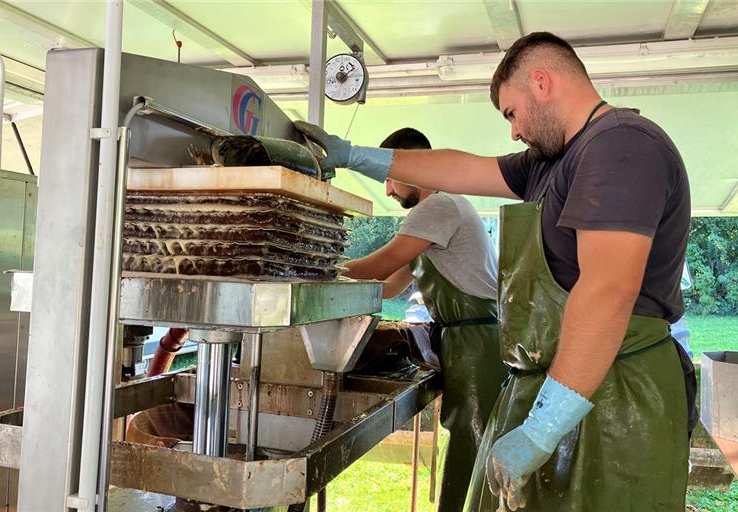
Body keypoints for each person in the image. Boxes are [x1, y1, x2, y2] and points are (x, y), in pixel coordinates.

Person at [296, 31, 697, 512]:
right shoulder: (551, 161)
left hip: (617, 396)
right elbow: (459, 169)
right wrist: (354, 155)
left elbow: (607, 291)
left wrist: (544, 427)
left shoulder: (620, 146)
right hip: (560, 378)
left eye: (512, 112)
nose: (513, 131)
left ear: (542, 82)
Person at [342, 127, 506, 511]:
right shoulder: (438, 214)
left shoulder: (439, 206)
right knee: (468, 444)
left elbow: (379, 265)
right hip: (466, 341)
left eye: (387, 179)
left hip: (476, 345)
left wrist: (315, 269)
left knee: (472, 447)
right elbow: (387, 286)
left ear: (409, 164)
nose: (387, 192)